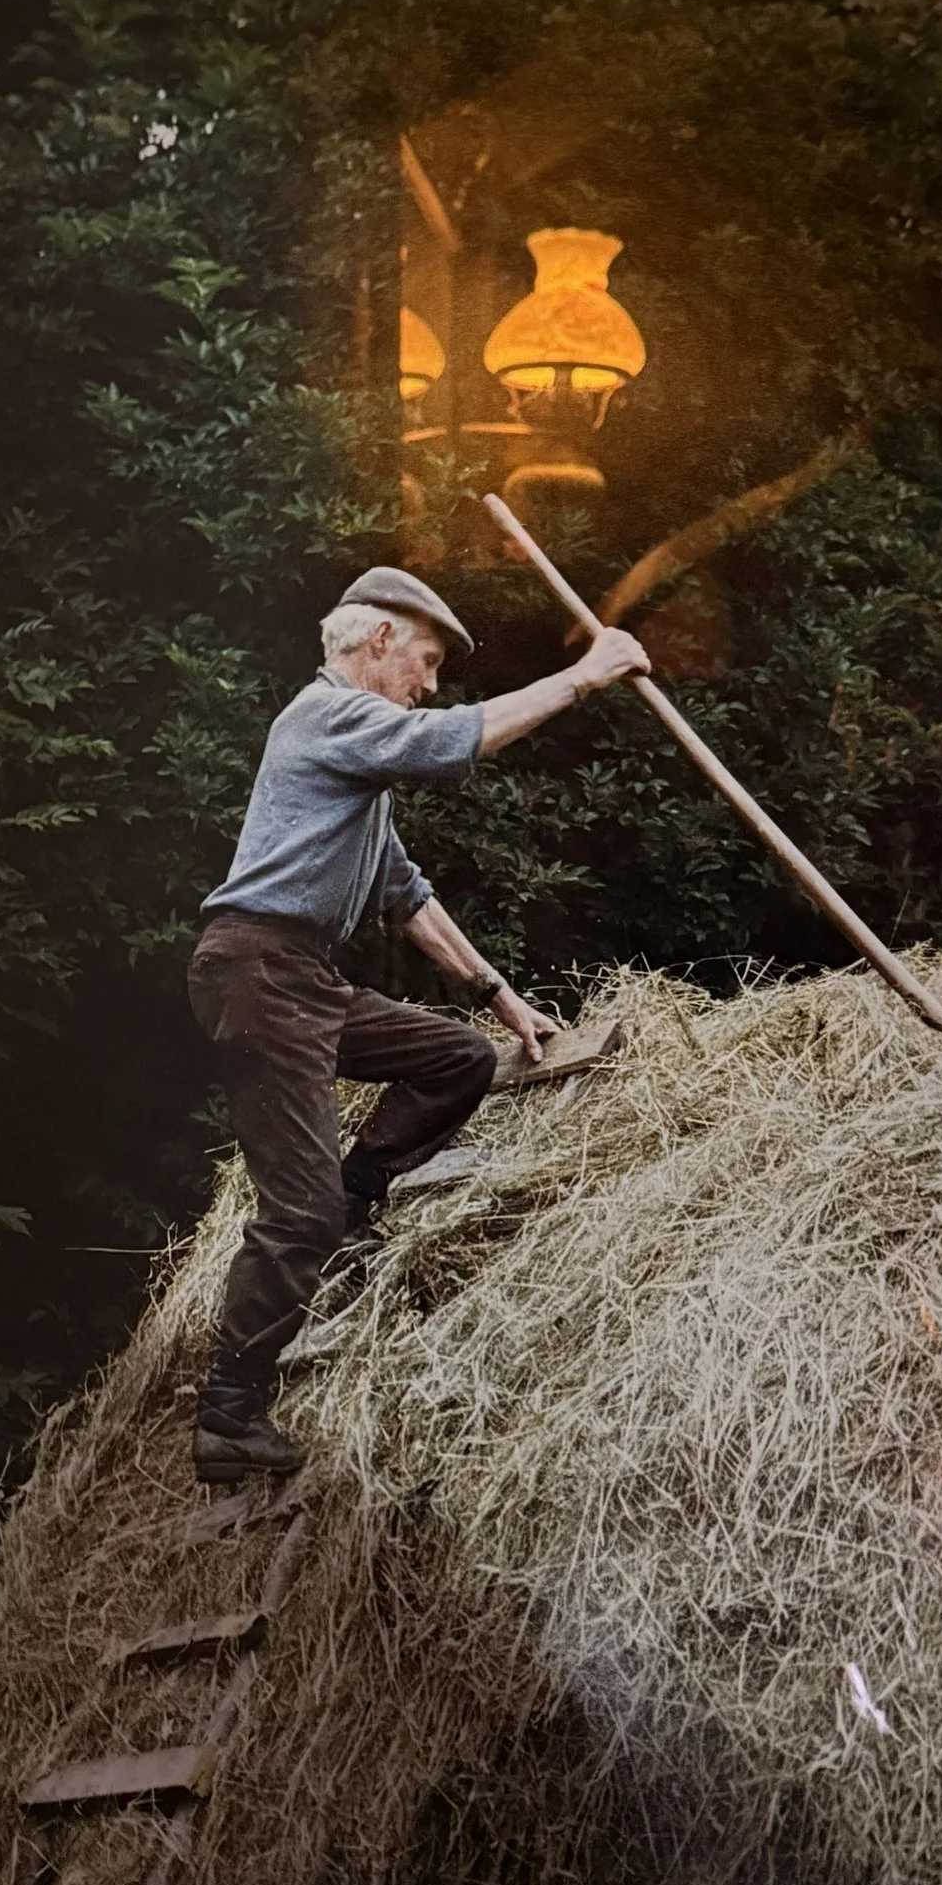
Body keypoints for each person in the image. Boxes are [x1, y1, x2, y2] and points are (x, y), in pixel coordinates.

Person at [186, 565, 651, 1485]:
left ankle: (361, 1197)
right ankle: (228, 1412)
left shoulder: (355, 777)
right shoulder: (323, 716)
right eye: (426, 662)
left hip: (302, 977)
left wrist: (498, 994)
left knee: (455, 1058)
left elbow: (408, 897)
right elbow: (449, 740)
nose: (430, 683)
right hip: (257, 970)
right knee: (297, 1212)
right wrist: (584, 674)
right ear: (378, 643)